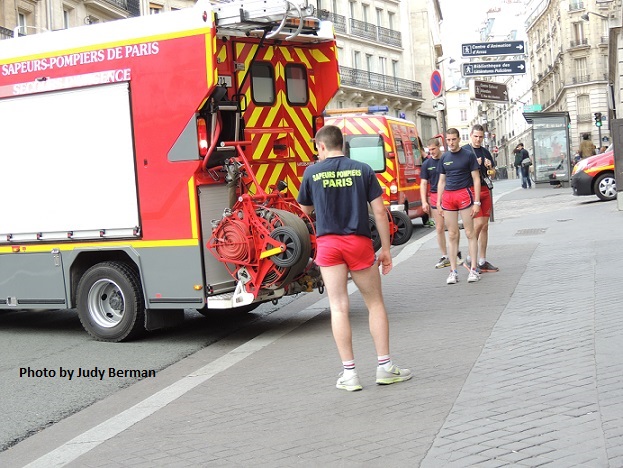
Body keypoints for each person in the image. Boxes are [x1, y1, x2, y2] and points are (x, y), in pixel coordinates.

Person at [297, 125, 411, 392]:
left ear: (321, 146)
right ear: (343, 144)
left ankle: (350, 374)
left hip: (328, 244)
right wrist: (385, 249)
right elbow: (380, 213)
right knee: (375, 304)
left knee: (338, 307)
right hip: (358, 241)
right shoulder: (363, 170)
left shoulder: (312, 172)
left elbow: (303, 210)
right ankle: (385, 367)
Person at [437, 128, 482, 285]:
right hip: (449, 197)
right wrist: (438, 202)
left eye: (453, 139)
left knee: (470, 232)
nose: (451, 143)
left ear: (458, 139)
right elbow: (442, 181)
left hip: (464, 194)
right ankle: (453, 271)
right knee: (452, 235)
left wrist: (477, 202)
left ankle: (474, 269)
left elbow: (476, 178)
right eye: (448, 140)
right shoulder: (445, 157)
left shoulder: (468, 155)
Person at [420, 137, 464, 269]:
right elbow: (423, 183)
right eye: (430, 149)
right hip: (434, 195)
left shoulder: (447, 159)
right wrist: (424, 201)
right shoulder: (427, 164)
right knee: (439, 227)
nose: (432, 152)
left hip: (450, 194)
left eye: (434, 149)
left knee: (453, 227)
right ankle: (445, 255)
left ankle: (455, 252)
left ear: (439, 147)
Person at [464, 125, 499, 273]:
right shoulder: (465, 151)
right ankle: (470, 257)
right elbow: (461, 172)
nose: (478, 139)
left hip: (486, 189)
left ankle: (482, 260)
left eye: (480, 137)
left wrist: (489, 167)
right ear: (471, 135)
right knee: (478, 224)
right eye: (476, 136)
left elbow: (492, 174)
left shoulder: (485, 152)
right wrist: (474, 166)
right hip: (472, 190)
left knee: (485, 225)